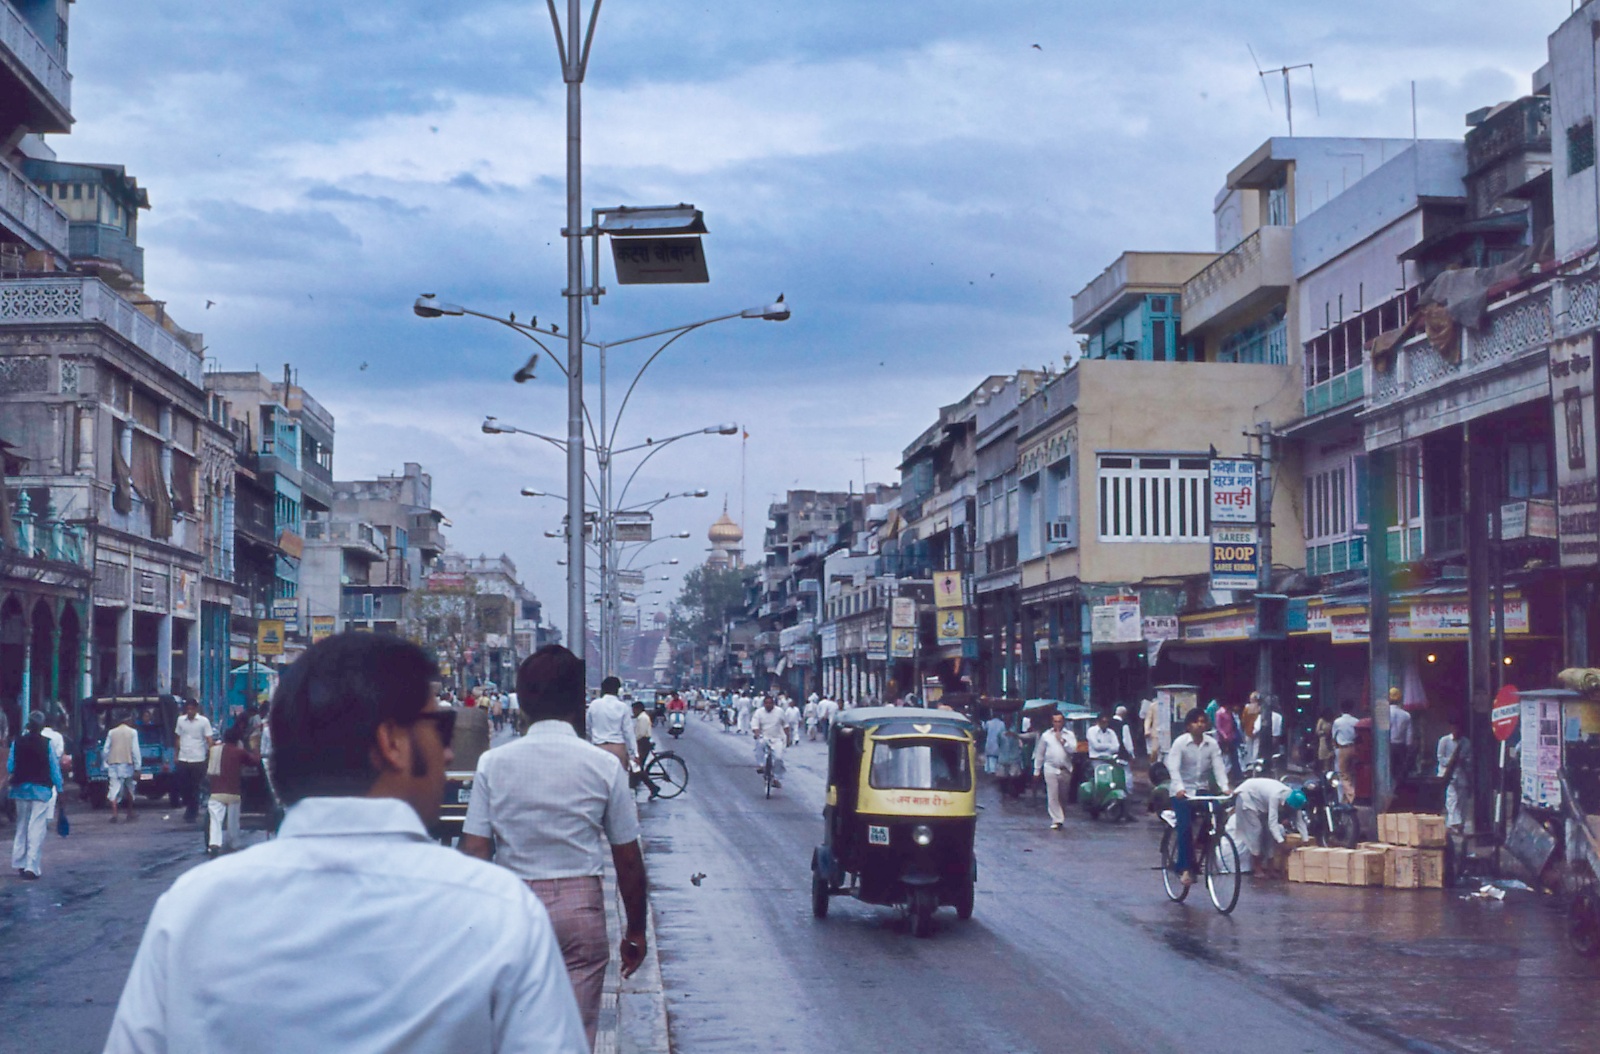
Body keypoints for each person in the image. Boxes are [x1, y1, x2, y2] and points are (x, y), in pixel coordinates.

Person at [105, 631, 586, 1054]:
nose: (445, 749)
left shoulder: (192, 910)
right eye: (439, 727)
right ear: (392, 742)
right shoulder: (497, 913)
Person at [461, 646, 649, 1051]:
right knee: (574, 1035)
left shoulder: (493, 764)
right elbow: (628, 859)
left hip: (513, 910)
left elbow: (475, 852)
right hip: (581, 911)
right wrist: (635, 929)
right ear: (579, 702)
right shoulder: (603, 766)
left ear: (522, 701)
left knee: (512, 1032)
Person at [1165, 708, 1230, 887]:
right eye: (1196, 721)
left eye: (1203, 721)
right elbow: (1173, 767)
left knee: (1217, 813)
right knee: (1184, 827)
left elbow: (1218, 768)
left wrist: (1225, 788)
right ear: (1188, 725)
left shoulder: (1212, 744)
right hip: (1183, 791)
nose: (1200, 724)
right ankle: (1185, 868)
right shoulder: (1180, 743)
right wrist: (1179, 787)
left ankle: (1201, 843)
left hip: (1201, 789)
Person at [8, 712, 61, 879]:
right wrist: (60, 788)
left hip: (20, 789)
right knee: (36, 827)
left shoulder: (17, 742)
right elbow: (54, 769)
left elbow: (10, 767)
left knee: (21, 826)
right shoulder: (47, 744)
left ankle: (19, 863)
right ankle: (32, 866)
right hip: (41, 790)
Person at [1230, 776, 1308, 868]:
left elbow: (1299, 821)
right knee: (1256, 830)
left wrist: (1305, 840)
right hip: (1247, 798)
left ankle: (1270, 867)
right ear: (1287, 804)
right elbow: (1272, 823)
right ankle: (1257, 867)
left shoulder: (1294, 800)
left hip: (1261, 803)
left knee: (1269, 833)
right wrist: (1282, 843)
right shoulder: (1275, 796)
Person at [205, 724, 259, 856]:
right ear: (237, 740)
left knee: (215, 820)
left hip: (216, 791)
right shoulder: (238, 752)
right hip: (233, 792)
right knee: (233, 821)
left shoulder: (214, 750)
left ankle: (214, 844)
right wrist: (255, 748)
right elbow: (254, 761)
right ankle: (233, 843)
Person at [173, 699, 216, 824]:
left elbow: (209, 739)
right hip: (183, 757)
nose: (190, 711)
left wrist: (211, 754)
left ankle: (192, 811)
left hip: (198, 758)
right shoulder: (180, 720)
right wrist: (176, 754)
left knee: (195, 785)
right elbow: (178, 738)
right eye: (188, 709)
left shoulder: (204, 722)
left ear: (196, 709)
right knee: (184, 785)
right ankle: (190, 806)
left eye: (192, 709)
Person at [1032, 711, 1077, 831]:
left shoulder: (1069, 735)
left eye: (1060, 721)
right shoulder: (1046, 735)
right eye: (1055, 721)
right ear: (1052, 722)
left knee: (1062, 795)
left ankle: (1060, 815)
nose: (1057, 724)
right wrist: (1037, 770)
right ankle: (1057, 819)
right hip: (1050, 768)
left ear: (1063, 722)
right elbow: (1040, 753)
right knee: (1052, 795)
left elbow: (1073, 750)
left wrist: (1062, 741)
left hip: (1065, 769)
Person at [586, 676, 636, 773]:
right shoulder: (623, 707)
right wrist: (633, 754)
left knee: (600, 781)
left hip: (599, 748)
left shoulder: (594, 705)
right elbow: (628, 733)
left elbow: (588, 728)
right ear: (618, 690)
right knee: (618, 782)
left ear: (603, 689)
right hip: (618, 748)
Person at [103, 710, 142, 823]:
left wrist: (106, 760)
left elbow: (105, 750)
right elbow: (135, 751)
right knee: (129, 787)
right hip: (127, 764)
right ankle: (129, 812)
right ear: (128, 720)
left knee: (113, 788)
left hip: (114, 764)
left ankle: (114, 814)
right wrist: (138, 767)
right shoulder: (133, 732)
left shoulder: (111, 732)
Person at [1437, 717, 1473, 832]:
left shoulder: (1466, 743)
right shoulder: (1444, 741)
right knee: (1452, 799)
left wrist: (1463, 762)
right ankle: (1454, 822)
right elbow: (1440, 758)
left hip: (1462, 774)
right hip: (1448, 774)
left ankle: (1459, 823)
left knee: (1462, 800)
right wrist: (1451, 761)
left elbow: (1470, 760)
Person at [1086, 709, 1134, 790]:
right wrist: (1109, 746)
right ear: (1098, 721)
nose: (1104, 724)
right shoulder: (1091, 731)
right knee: (1099, 779)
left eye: (1106, 722)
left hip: (1110, 760)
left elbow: (1116, 747)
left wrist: (1103, 746)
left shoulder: (1111, 732)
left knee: (1114, 777)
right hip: (1096, 760)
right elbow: (1096, 746)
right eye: (1102, 722)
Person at [751, 695, 788, 788]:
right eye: (766, 703)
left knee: (778, 759)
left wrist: (788, 738)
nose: (768, 705)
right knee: (759, 744)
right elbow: (755, 725)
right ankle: (762, 765)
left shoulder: (779, 712)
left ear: (773, 704)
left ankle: (776, 778)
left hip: (777, 738)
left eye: (770, 703)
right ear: (764, 704)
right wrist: (757, 734)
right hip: (764, 737)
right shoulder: (759, 712)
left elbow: (786, 725)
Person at [629, 700, 661, 801]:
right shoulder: (641, 717)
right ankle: (632, 788)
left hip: (642, 743)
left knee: (637, 768)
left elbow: (640, 734)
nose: (633, 712)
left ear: (638, 709)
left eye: (634, 710)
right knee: (636, 768)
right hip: (643, 743)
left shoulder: (642, 718)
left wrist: (632, 742)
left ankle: (653, 787)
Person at [1331, 703, 1360, 804]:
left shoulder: (1337, 722)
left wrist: (1335, 749)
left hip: (1342, 749)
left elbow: (1333, 737)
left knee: (1343, 775)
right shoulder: (1356, 721)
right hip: (1354, 748)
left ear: (1341, 709)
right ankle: (1346, 798)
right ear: (1352, 709)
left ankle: (1350, 798)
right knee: (1353, 773)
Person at [1388, 687, 1414, 785]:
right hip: (1401, 747)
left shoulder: (1386, 713)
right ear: (1399, 699)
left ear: (1389, 698)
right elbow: (1409, 737)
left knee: (1388, 772)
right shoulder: (1406, 715)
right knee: (1400, 774)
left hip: (1388, 746)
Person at [1214, 698, 1243, 783]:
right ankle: (1224, 776)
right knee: (1224, 758)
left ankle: (1237, 776)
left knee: (1234, 757)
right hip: (1223, 739)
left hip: (1231, 737)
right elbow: (1218, 726)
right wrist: (1224, 735)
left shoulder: (1229, 713)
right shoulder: (1219, 713)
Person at [996, 725, 1024, 799]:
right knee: (1002, 777)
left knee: (1014, 777)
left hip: (1014, 757)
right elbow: (999, 743)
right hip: (1003, 757)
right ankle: (1004, 792)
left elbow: (1020, 741)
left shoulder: (1015, 730)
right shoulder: (1000, 732)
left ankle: (1012, 792)